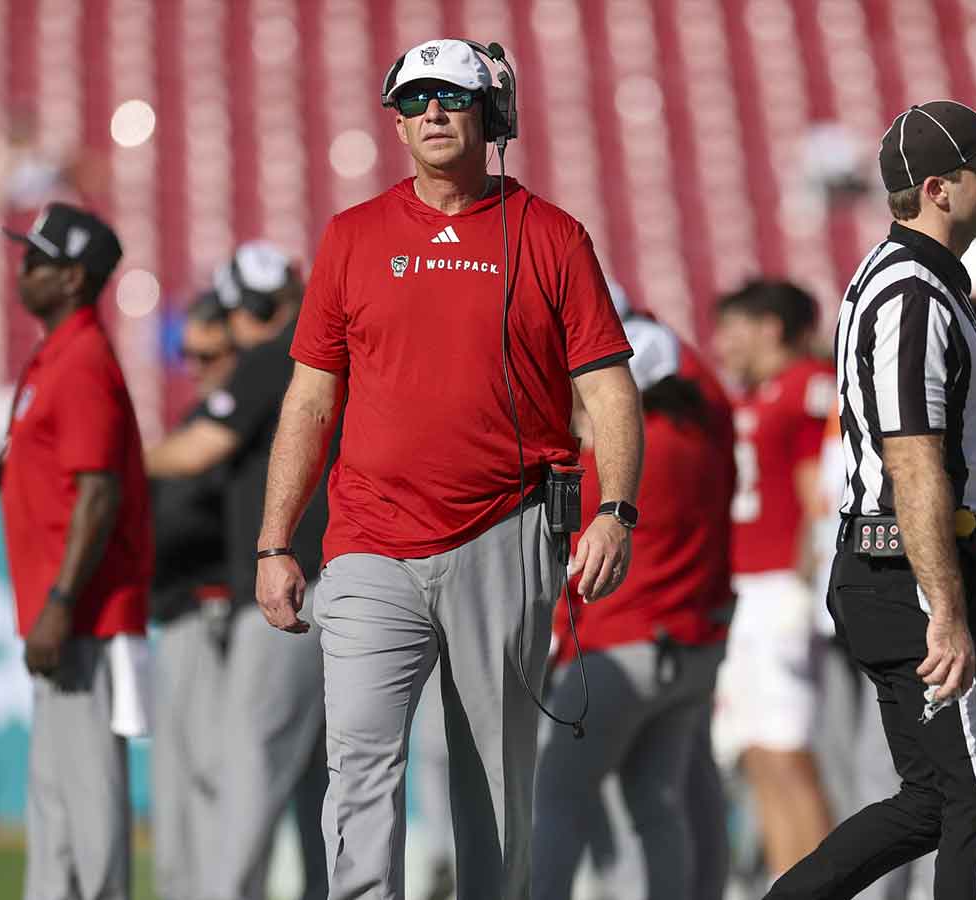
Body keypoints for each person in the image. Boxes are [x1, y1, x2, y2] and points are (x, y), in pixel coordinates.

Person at [255, 38, 642, 900]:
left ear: (491, 115)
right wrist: (275, 541)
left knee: (493, 782)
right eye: (416, 97)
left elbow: (610, 394)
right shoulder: (351, 236)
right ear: (395, 120)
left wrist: (616, 507)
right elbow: (311, 401)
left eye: (453, 95)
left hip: (502, 533)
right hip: (367, 541)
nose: (433, 111)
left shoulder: (552, 235)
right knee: (358, 757)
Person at [765, 100, 976, 900]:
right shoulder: (911, 293)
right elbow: (914, 461)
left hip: (894, 563)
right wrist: (945, 606)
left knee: (932, 802)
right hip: (914, 565)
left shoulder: (909, 281)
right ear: (939, 188)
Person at [147, 241, 330, 900]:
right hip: (332, 582)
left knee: (250, 759)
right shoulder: (313, 352)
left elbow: (201, 449)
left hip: (291, 590)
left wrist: (108, 458)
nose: (253, 323)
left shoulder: (274, 357)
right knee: (321, 772)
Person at [532, 316, 735, 900]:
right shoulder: (703, 439)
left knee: (559, 800)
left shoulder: (627, 460)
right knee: (658, 805)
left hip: (618, 648)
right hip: (688, 646)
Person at [0, 202, 152, 900]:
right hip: (57, 608)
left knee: (87, 795)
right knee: (55, 795)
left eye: (35, 258)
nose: (21, 268)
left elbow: (99, 494)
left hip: (81, 613)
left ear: (70, 277)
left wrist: (62, 601)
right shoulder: (57, 353)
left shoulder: (84, 357)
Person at [709, 279, 837, 878]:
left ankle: (819, 883)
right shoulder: (758, 393)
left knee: (789, 753)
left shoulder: (806, 386)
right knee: (759, 753)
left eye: (734, 327)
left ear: (769, 326)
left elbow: (822, 494)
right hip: (746, 588)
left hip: (780, 588)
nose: (722, 343)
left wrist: (806, 581)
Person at [149, 291, 239, 900]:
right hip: (176, 613)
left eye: (210, 354)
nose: (197, 366)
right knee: (175, 781)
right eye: (189, 354)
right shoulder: (193, 423)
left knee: (214, 776)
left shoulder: (240, 430)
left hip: (216, 614)